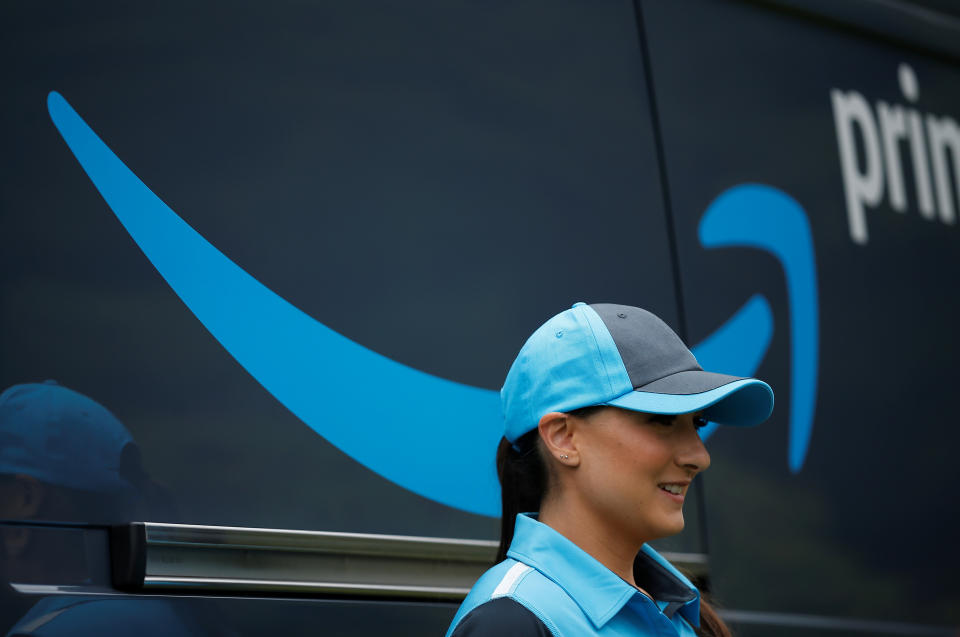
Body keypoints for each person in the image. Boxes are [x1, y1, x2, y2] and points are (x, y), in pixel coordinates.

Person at [446, 302, 774, 637]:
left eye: (697, 423)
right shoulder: (510, 622)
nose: (699, 457)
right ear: (564, 438)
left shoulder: (684, 617)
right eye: (661, 420)